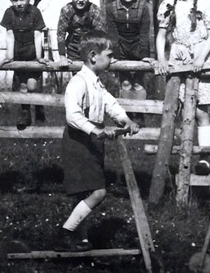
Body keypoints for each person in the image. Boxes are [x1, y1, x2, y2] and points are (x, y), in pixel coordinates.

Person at [55, 30, 140, 252]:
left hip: (93, 141)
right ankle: (65, 233)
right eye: (109, 55)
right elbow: (72, 116)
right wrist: (95, 130)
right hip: (78, 142)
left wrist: (126, 120)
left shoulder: (97, 83)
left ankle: (80, 238)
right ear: (94, 56)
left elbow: (110, 104)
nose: (112, 59)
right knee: (97, 192)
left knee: (85, 193)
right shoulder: (78, 82)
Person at [156, 0, 210, 175]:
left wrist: (201, 57)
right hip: (178, 56)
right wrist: (162, 60)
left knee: (201, 111)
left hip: (201, 54)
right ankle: (182, 156)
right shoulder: (167, 5)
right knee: (180, 108)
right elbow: (161, 35)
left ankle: (204, 158)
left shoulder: (206, 3)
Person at [0, 0, 48, 130]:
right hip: (19, 54)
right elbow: (9, 35)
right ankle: (25, 114)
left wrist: (39, 57)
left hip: (33, 53)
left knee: (32, 85)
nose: (19, 3)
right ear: (10, 0)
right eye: (15, 0)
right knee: (22, 87)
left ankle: (39, 108)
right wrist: (9, 56)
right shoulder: (9, 13)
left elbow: (38, 35)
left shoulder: (34, 12)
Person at [106, 0, 152, 125]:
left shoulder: (143, 6)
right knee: (125, 82)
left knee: (138, 82)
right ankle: (126, 116)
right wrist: (115, 56)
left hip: (139, 46)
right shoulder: (111, 8)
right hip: (121, 47)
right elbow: (113, 34)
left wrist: (143, 54)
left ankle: (139, 115)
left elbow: (145, 32)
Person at [56, 0, 106, 67]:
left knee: (91, 74)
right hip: (73, 48)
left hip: (91, 47)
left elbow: (100, 33)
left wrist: (98, 51)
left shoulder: (94, 10)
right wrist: (62, 56)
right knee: (77, 74)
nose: (81, 0)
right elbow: (60, 34)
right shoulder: (66, 10)